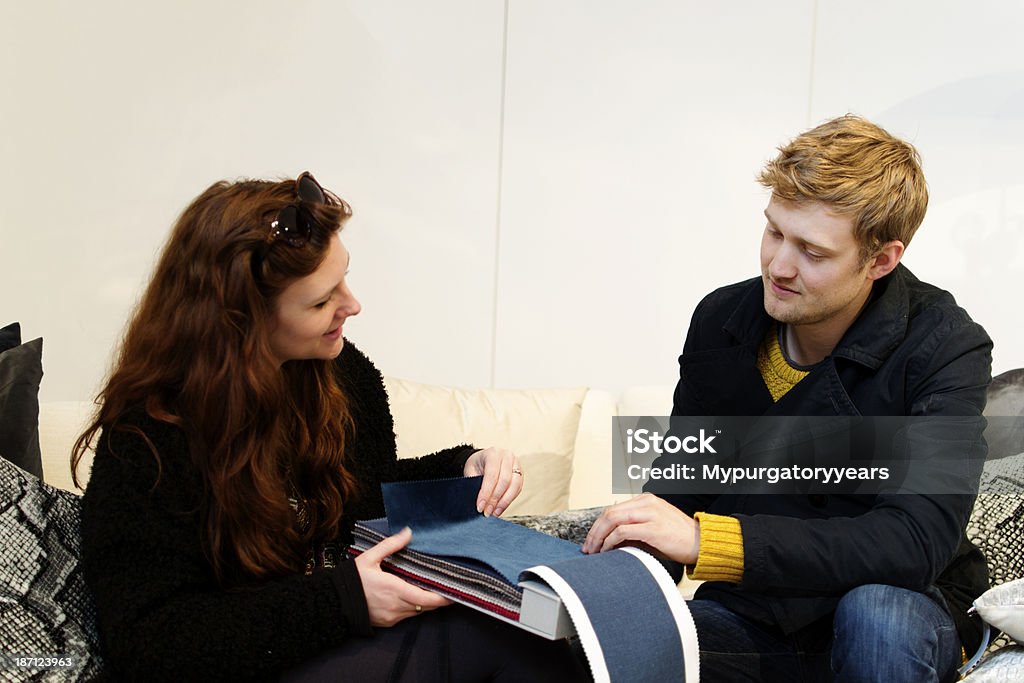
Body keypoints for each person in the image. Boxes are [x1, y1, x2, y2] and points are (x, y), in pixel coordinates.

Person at [72, 173, 589, 682]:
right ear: (240, 323)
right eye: (321, 301)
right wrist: (343, 601)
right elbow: (150, 642)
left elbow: (359, 497)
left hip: (336, 638)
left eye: (343, 277)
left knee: (540, 634)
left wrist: (461, 469)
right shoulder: (148, 440)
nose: (352, 305)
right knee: (496, 642)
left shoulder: (336, 372)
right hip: (249, 662)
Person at [583, 115, 992, 682]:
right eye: (774, 232)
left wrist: (708, 539)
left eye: (812, 252)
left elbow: (914, 540)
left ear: (881, 260)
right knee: (624, 646)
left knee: (873, 615)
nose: (778, 266)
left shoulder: (945, 344)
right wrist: (596, 587)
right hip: (759, 610)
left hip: (905, 605)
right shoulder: (721, 320)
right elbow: (679, 490)